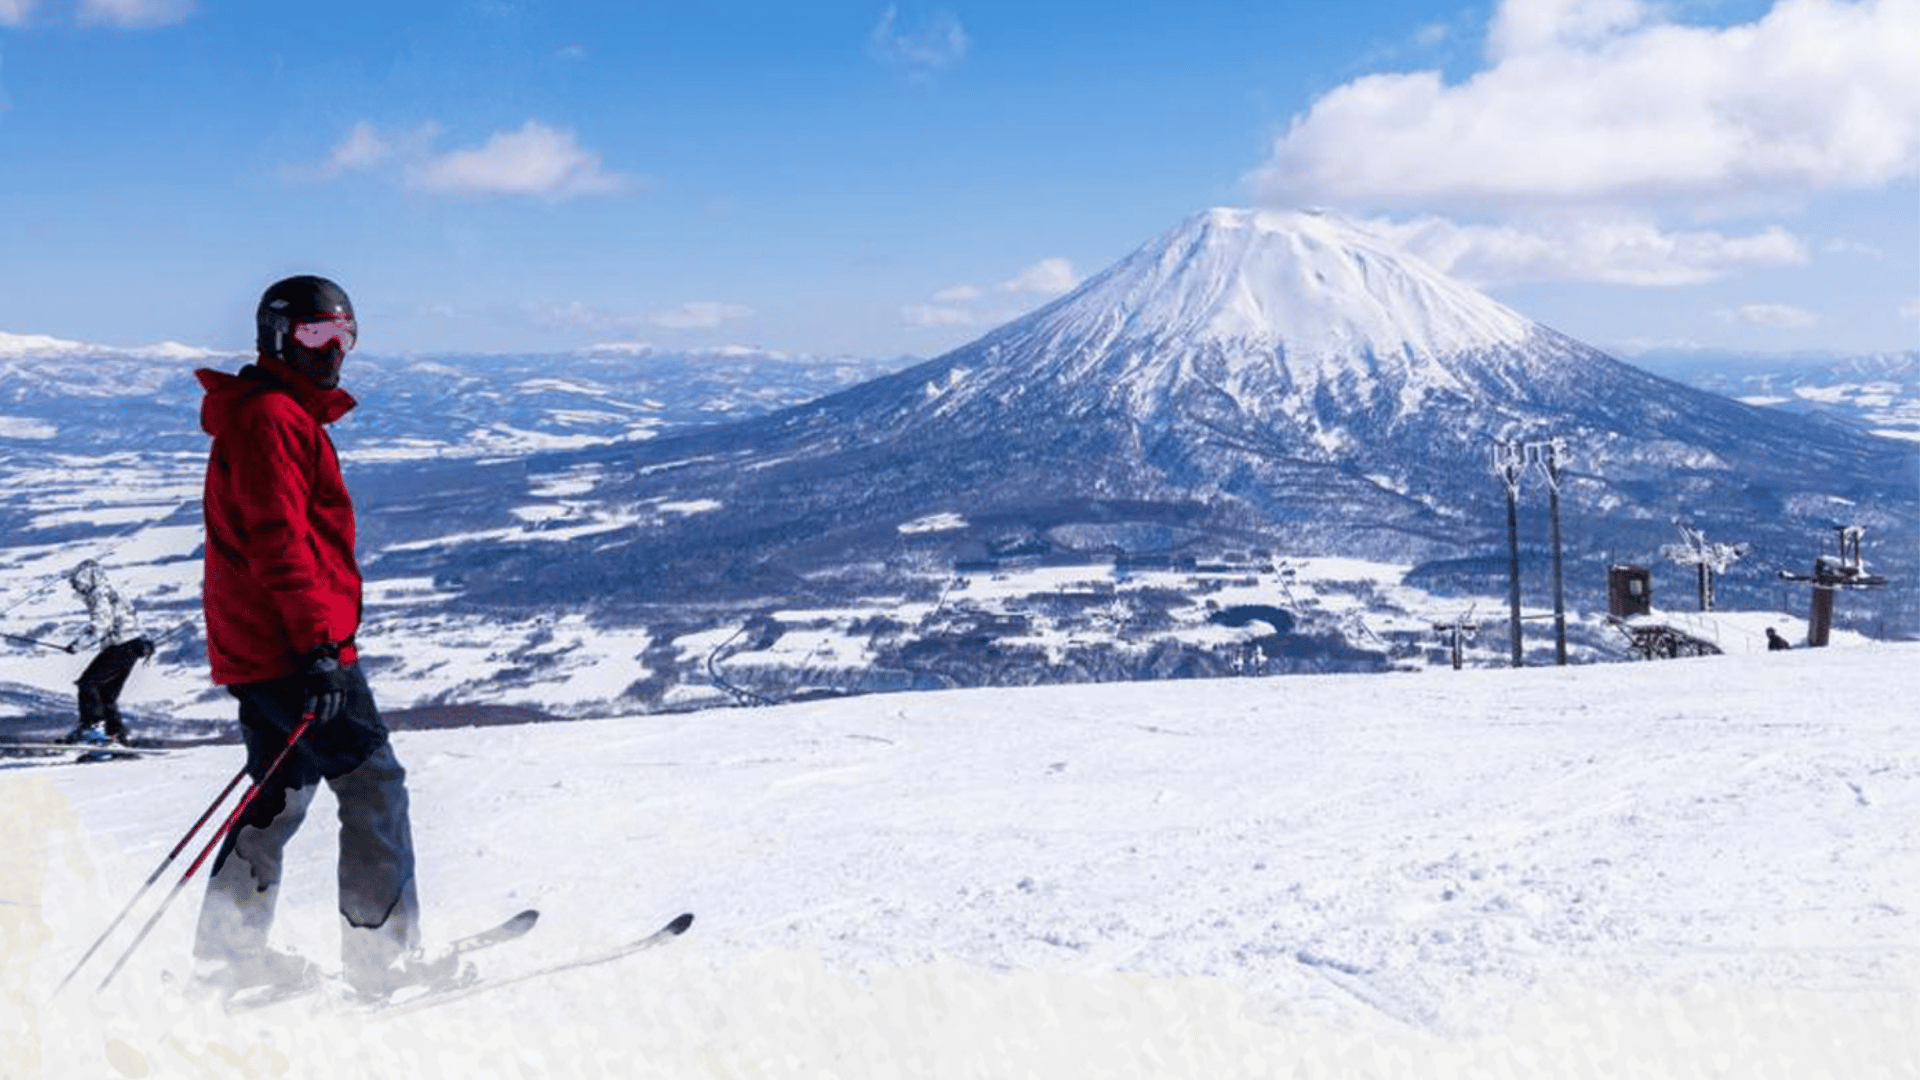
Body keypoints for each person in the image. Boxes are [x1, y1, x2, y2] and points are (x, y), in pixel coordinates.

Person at [189, 275, 460, 1002]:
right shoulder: (273, 417)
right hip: (290, 648)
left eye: (344, 336)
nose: (333, 351)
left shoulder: (273, 414)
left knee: (283, 788)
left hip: (263, 645)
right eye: (316, 335)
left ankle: (228, 960)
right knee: (374, 781)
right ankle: (384, 965)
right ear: (278, 337)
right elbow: (280, 542)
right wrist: (319, 650)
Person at [61, 559, 155, 748]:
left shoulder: (99, 594)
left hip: (121, 646)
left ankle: (92, 727)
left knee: (89, 683)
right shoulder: (113, 591)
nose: (77, 589)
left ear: (87, 579)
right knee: (106, 694)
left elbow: (101, 625)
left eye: (77, 584)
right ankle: (115, 737)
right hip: (133, 645)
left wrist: (77, 645)